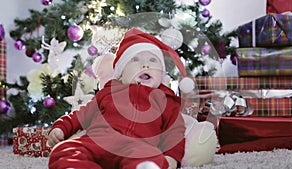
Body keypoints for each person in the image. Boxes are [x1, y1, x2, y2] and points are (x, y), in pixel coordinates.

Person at [47, 27, 188, 169]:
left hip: (139, 146)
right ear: (121, 73)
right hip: (99, 140)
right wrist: (61, 128)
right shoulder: (109, 92)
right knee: (65, 150)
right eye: (135, 59)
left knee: (152, 157)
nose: (145, 65)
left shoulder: (166, 101)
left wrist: (172, 158)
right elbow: (81, 114)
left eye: (153, 60)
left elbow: (175, 132)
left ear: (161, 74)